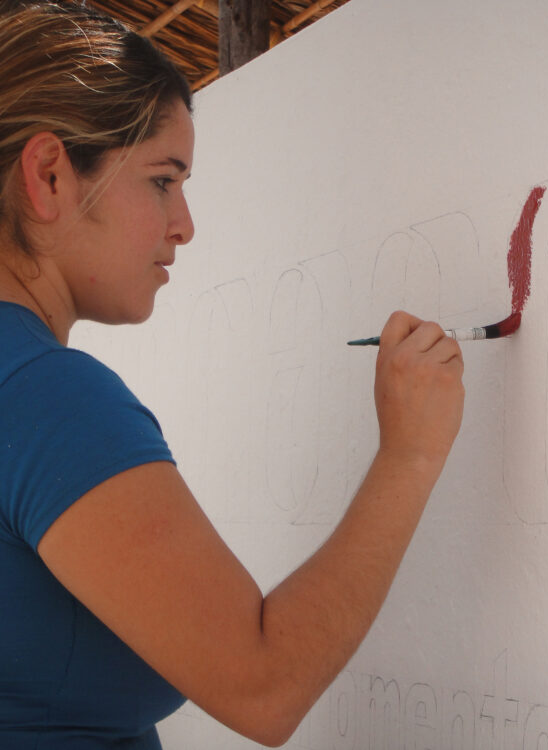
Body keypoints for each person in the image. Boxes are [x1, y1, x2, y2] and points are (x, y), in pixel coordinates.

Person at [0, 2, 465, 748]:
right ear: (50, 174)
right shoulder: (46, 396)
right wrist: (409, 456)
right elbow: (264, 684)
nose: (184, 223)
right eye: (162, 180)